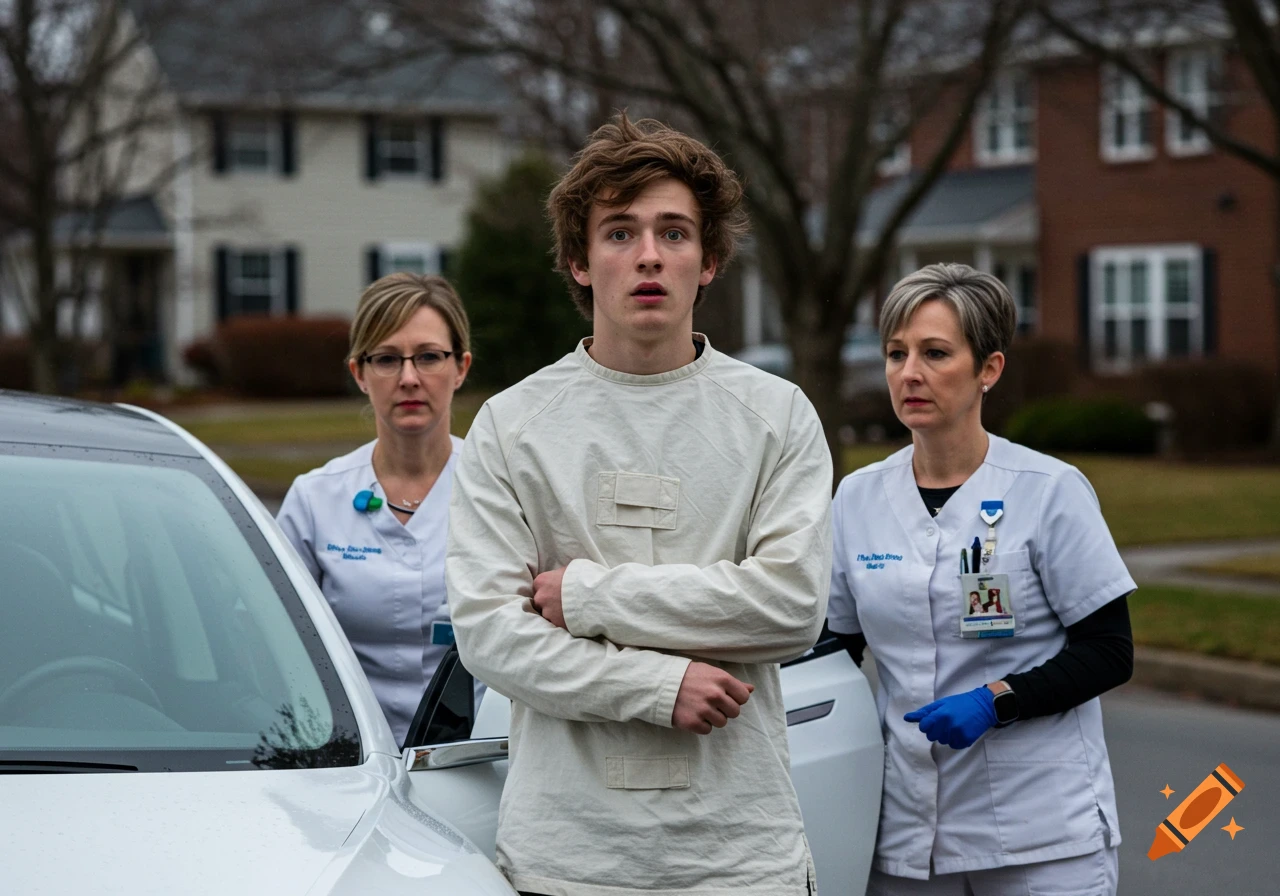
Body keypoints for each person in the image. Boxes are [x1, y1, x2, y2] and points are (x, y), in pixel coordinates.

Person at [446, 114, 832, 896]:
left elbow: (791, 605)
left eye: (674, 233)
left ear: (711, 259)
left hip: (740, 862)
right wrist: (659, 690)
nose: (648, 255)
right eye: (619, 232)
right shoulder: (511, 426)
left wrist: (586, 594)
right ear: (578, 261)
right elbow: (490, 635)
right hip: (570, 862)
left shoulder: (778, 415)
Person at [827, 263, 1135, 895]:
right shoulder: (857, 498)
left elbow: (1109, 652)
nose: (909, 373)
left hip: (1041, 836)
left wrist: (997, 701)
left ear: (988, 369)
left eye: (935, 353)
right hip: (908, 839)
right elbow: (837, 645)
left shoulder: (1049, 492)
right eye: (896, 353)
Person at [277, 273, 472, 748]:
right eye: (386, 359)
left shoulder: (501, 491)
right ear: (359, 374)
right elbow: (276, 646)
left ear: (461, 367)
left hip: (480, 760)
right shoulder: (314, 500)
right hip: (347, 760)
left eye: (428, 356)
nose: (408, 378)